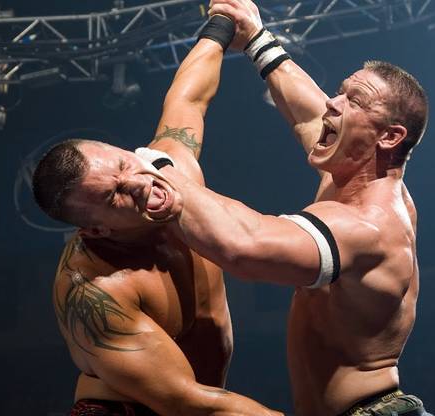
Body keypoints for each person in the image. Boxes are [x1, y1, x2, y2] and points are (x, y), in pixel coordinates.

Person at [138, 0, 434, 414]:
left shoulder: (367, 224)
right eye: (341, 91)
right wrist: (256, 37)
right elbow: (309, 113)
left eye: (355, 101)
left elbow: (244, 247)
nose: (333, 103)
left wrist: (156, 169)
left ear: (389, 137)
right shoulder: (353, 171)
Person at [31, 16, 281, 416]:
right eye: (113, 195)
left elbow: (188, 98)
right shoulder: (96, 291)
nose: (137, 182)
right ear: (96, 229)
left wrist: (221, 24)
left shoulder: (170, 168)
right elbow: (184, 401)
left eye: (123, 163)